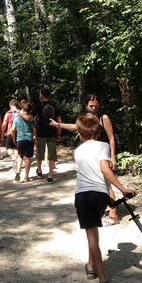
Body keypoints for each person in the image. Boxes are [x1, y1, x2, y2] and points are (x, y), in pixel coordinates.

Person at [74, 113, 137, 283]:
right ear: (98, 130)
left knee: (92, 237)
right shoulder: (103, 145)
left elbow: (94, 171)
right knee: (93, 234)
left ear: (79, 134)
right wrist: (121, 189)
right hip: (101, 196)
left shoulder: (77, 151)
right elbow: (103, 169)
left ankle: (103, 281)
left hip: (83, 196)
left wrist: (121, 189)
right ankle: (91, 266)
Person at [50, 93, 119, 226]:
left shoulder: (104, 118)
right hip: (91, 154)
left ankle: (113, 214)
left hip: (103, 153)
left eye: (96, 106)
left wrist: (113, 157)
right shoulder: (86, 118)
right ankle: (99, 208)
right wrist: (58, 124)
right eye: (91, 105)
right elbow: (75, 126)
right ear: (86, 106)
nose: (93, 108)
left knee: (108, 183)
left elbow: (111, 137)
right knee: (97, 182)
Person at [32, 88, 61, 184]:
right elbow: (59, 121)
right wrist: (59, 133)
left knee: (40, 152)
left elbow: (30, 117)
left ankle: (39, 171)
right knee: (52, 154)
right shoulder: (55, 106)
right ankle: (50, 175)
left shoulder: (38, 106)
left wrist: (21, 115)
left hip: (41, 133)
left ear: (41, 95)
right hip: (52, 133)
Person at [9, 103, 37, 182]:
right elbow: (34, 129)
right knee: (27, 158)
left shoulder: (17, 118)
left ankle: (18, 171)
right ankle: (26, 177)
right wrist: (35, 137)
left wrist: (14, 139)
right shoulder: (31, 119)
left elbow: (13, 130)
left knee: (20, 156)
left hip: (20, 139)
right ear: (30, 110)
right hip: (28, 139)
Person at [1, 99, 20, 170]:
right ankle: (17, 164)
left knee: (8, 147)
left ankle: (14, 159)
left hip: (10, 131)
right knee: (16, 148)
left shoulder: (8, 113)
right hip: (19, 132)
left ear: (10, 105)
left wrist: (2, 132)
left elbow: (4, 124)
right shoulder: (20, 112)